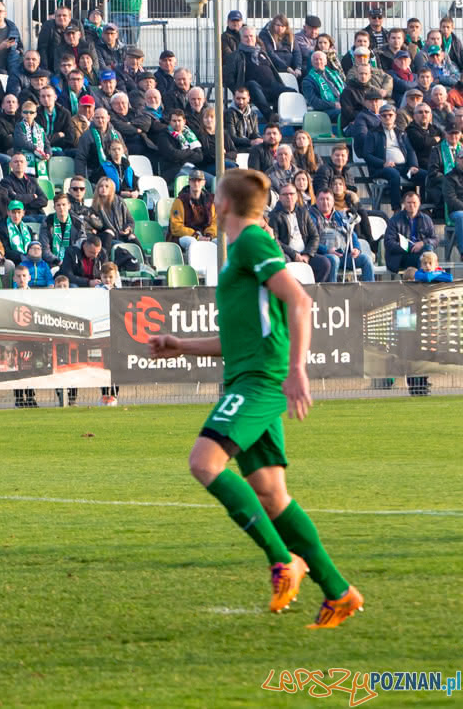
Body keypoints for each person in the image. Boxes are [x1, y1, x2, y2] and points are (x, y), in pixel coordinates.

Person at [148, 168, 362, 628]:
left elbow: (300, 301)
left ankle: (283, 561)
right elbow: (238, 336)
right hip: (251, 374)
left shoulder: (252, 242)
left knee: (204, 463)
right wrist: (181, 345)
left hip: (261, 380)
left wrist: (298, 369)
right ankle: (340, 592)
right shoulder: (239, 252)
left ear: (222, 204)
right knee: (271, 495)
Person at [170, 170, 216, 253]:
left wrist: (209, 235)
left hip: (206, 235)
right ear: (189, 182)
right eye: (193, 180)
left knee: (222, 241)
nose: (196, 183)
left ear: (204, 183)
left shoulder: (210, 200)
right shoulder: (180, 200)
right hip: (184, 236)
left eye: (199, 180)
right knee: (192, 242)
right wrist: (196, 235)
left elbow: (215, 222)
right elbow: (176, 227)